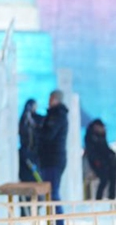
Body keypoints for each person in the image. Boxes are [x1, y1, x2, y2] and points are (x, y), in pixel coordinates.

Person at [39, 90, 68, 224]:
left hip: (53, 160)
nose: (49, 101)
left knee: (53, 193)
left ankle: (59, 222)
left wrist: (39, 129)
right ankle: (54, 221)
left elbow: (48, 135)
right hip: (48, 159)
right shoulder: (53, 115)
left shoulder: (58, 116)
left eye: (51, 98)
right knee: (50, 194)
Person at [18, 99, 43, 216]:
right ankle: (29, 211)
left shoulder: (29, 119)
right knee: (32, 183)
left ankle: (31, 210)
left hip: (29, 157)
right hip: (29, 158)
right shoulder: (28, 119)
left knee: (33, 183)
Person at [84, 119, 116, 200]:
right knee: (104, 178)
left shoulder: (102, 136)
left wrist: (112, 155)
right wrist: (98, 160)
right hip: (96, 162)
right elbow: (91, 151)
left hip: (104, 160)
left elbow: (105, 148)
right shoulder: (90, 137)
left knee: (113, 176)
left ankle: (111, 197)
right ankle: (98, 198)